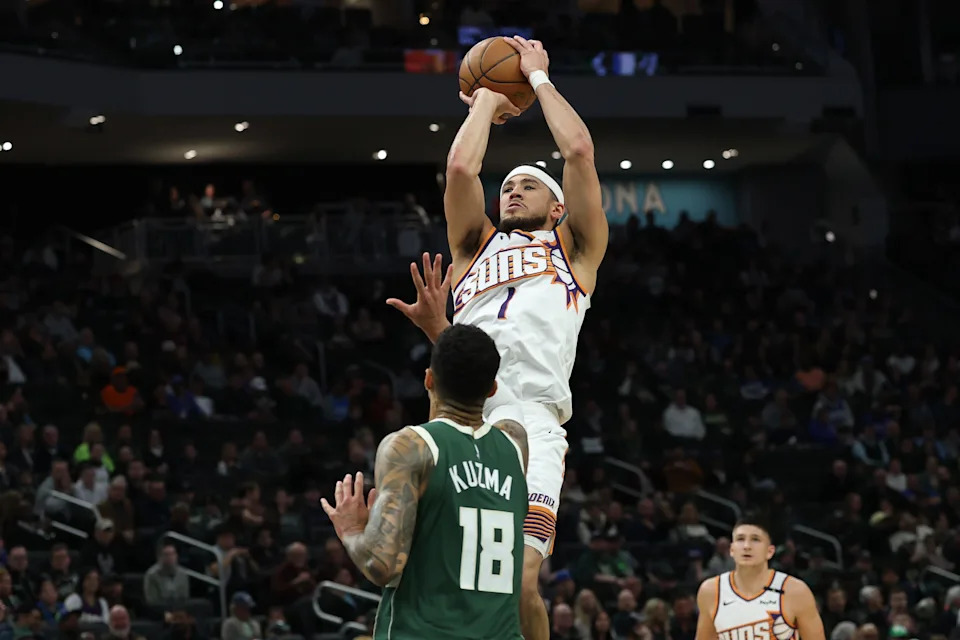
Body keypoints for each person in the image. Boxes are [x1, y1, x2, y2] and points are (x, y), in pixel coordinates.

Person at [387, 35, 607, 640]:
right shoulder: (473, 247)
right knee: (437, 573)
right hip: (464, 418)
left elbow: (581, 151)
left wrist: (535, 78)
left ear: (558, 208)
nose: (511, 190)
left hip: (532, 421)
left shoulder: (575, 252)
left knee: (521, 579)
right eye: (507, 185)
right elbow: (461, 167)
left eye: (529, 185)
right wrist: (484, 98)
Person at [322, 324, 529, 640]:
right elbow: (504, 403)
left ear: (428, 378)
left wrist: (352, 531)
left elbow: (383, 564)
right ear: (491, 389)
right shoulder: (516, 444)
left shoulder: (411, 446)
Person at [695, 516, 826, 640]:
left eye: (755, 539)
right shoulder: (711, 591)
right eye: (740, 539)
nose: (747, 546)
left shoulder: (796, 591)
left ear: (769, 551)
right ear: (732, 550)